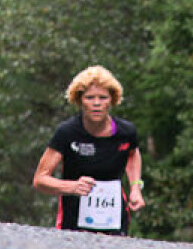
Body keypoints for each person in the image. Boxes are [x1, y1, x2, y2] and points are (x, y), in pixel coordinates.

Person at [32, 65, 145, 234]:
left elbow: (132, 154)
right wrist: (72, 187)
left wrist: (135, 188)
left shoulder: (126, 132)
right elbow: (40, 180)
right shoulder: (67, 132)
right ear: (79, 100)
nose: (96, 103)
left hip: (114, 219)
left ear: (112, 100)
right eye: (90, 98)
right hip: (73, 221)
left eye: (103, 97)